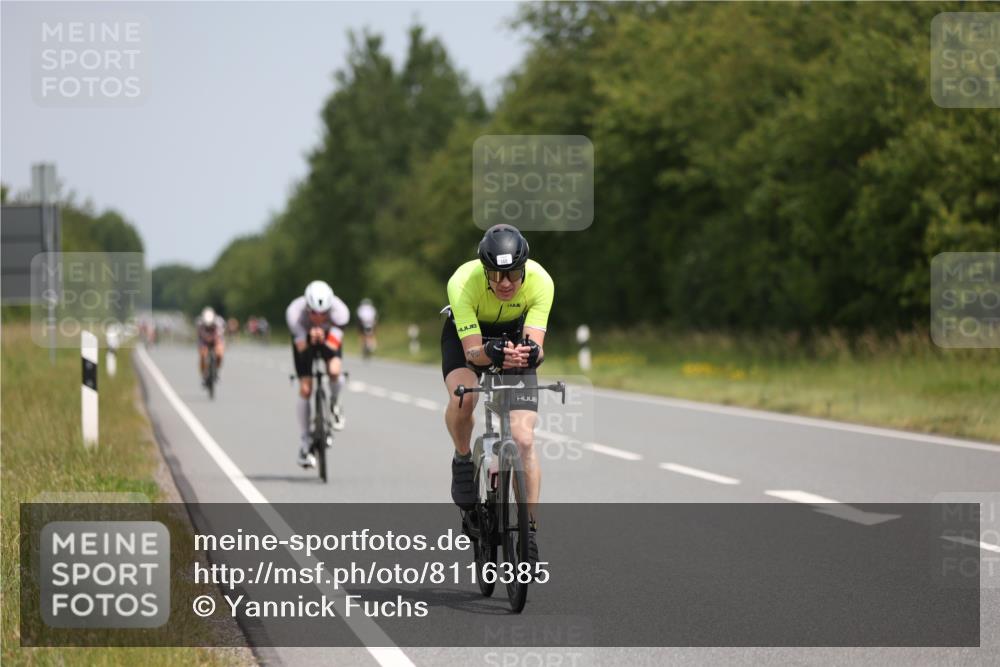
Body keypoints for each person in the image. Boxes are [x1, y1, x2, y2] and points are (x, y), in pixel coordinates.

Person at [441, 224, 553, 562]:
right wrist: (492, 350)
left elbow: (537, 345)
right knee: (465, 397)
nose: (505, 283)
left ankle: (529, 529)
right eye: (496, 274)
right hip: (470, 339)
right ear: (484, 270)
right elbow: (474, 355)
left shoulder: (541, 282)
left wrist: (532, 353)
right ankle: (463, 459)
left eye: (513, 274)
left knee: (524, 439)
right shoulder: (462, 283)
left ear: (524, 268)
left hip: (514, 335)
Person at [286, 280, 350, 468]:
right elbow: (302, 349)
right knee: (305, 389)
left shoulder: (341, 312)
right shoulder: (294, 313)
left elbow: (332, 347)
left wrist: (323, 338)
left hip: (329, 339)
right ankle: (305, 442)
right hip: (304, 341)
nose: (319, 317)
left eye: (324, 313)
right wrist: (309, 337)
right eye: (314, 313)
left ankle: (335, 403)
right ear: (307, 308)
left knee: (334, 371)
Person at [195, 306, 225, 383]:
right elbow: (199, 333)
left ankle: (216, 370)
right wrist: (206, 338)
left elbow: (220, 333)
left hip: (216, 339)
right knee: (202, 355)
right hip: (203, 340)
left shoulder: (219, 321)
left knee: (219, 354)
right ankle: (204, 374)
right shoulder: (200, 322)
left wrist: (214, 339)